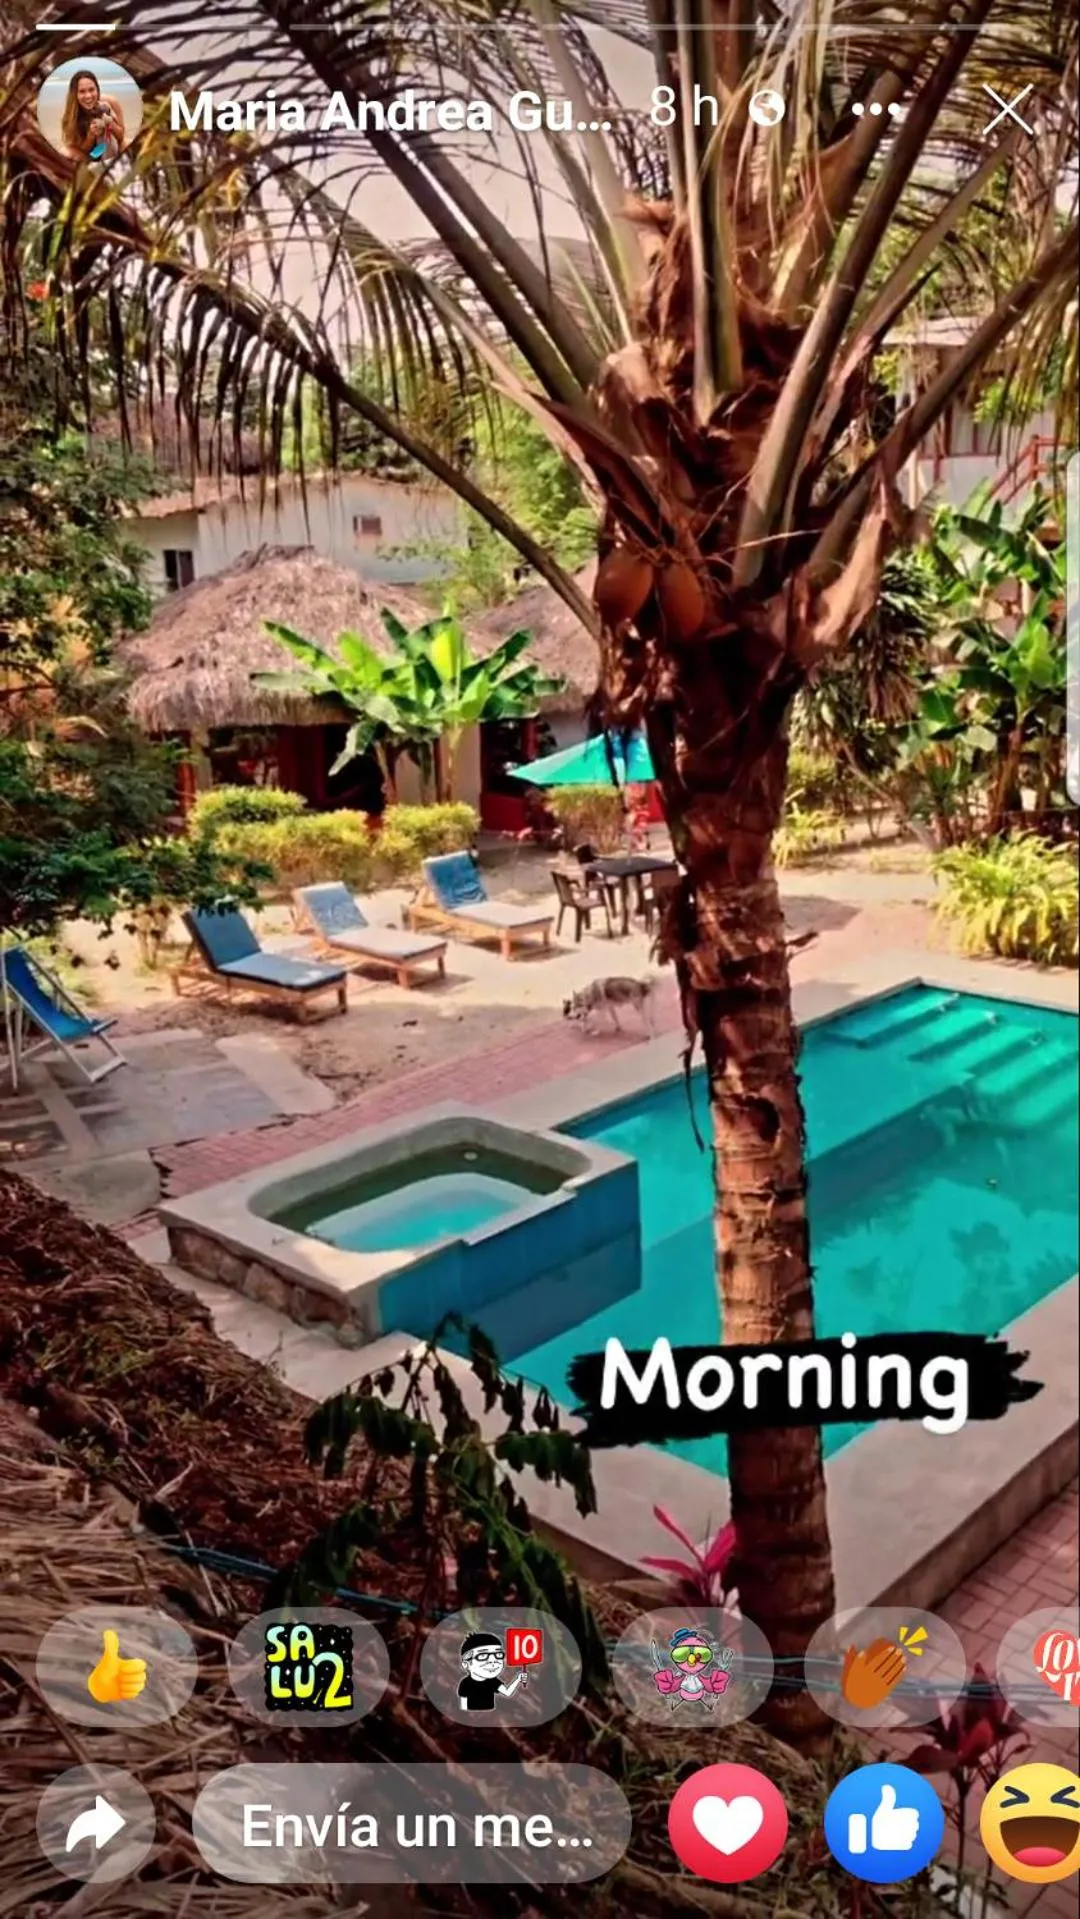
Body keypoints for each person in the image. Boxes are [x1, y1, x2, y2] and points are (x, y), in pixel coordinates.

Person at [60, 70, 126, 164]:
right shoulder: (72, 117)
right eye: (82, 91)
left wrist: (110, 123)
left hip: (111, 145)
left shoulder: (107, 105)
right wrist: (91, 136)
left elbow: (121, 137)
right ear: (75, 94)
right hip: (93, 154)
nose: (88, 96)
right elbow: (82, 149)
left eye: (91, 90)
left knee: (127, 143)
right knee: (66, 151)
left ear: (97, 89)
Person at [456, 1631, 528, 1713]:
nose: (493, 1661)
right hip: (472, 1717)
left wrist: (518, 1679)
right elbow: (463, 1706)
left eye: (498, 1655)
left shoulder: (493, 1682)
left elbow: (507, 1692)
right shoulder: (465, 1683)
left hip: (491, 1716)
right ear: (466, 1664)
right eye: (482, 1656)